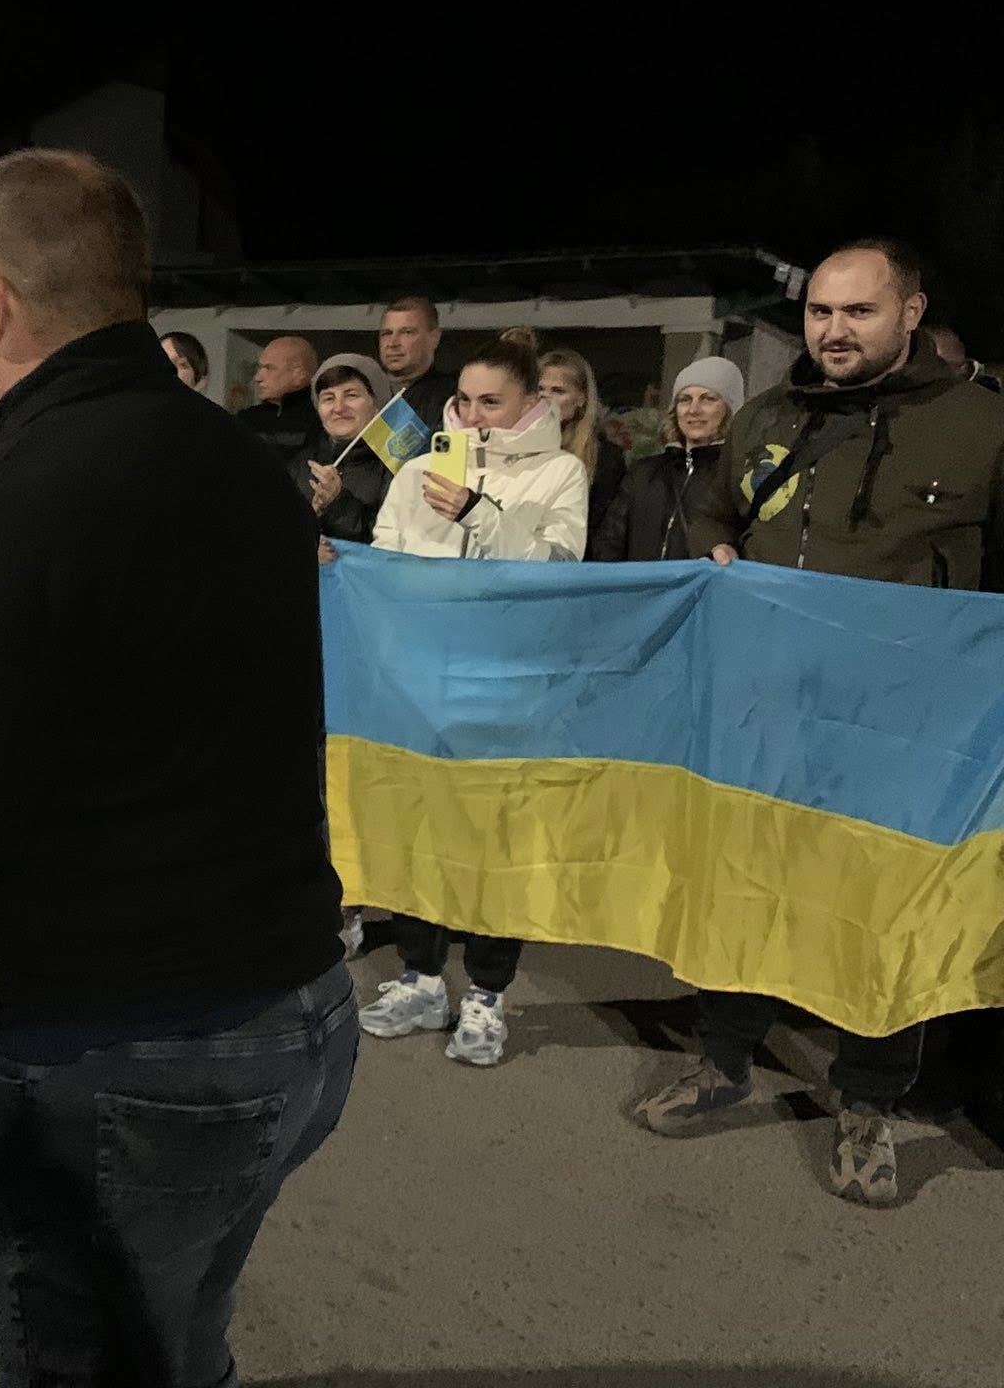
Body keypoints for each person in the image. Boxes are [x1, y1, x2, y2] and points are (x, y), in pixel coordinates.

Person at [0, 149, 354, 1388]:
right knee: (180, 1350)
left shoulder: (0, 508)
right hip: (299, 1013)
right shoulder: (244, 467)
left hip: (132, 1057)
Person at [638, 238, 1004, 1206]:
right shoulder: (769, 415)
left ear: (910, 313)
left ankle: (866, 1103)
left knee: (884, 913)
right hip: (766, 711)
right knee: (744, 886)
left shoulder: (981, 425)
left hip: (905, 730)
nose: (833, 331)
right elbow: (710, 511)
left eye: (858, 312)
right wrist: (716, 553)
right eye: (819, 312)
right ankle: (721, 1059)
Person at [343, 325, 586, 1067]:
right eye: (465, 399)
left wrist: (479, 514)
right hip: (418, 681)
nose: (474, 415)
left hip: (505, 685)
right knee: (415, 831)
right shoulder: (417, 469)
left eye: (492, 402)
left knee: (495, 841)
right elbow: (384, 560)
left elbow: (557, 570)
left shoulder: (560, 473)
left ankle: (486, 993)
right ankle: (421, 977)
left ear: (530, 402)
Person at [591, 356, 743, 562]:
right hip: (640, 583)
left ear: (730, 409)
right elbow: (609, 542)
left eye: (708, 399)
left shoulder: (739, 476)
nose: (693, 410)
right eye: (684, 399)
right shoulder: (643, 471)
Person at [538, 347, 626, 553]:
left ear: (581, 399)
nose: (545, 398)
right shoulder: (515, 446)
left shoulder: (606, 458)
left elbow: (604, 533)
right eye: (539, 389)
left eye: (558, 391)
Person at [304, 352, 397, 544]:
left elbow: (390, 541)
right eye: (328, 398)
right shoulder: (299, 464)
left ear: (377, 403)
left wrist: (337, 502)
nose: (338, 408)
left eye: (351, 395)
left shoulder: (398, 465)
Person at [237, 334, 324, 495]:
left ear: (299, 374)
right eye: (259, 368)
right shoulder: (244, 420)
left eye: (269, 368)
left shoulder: (324, 422)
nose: (257, 378)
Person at [377, 295, 457, 430]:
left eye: (407, 332)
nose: (393, 343)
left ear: (434, 338)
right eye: (387, 333)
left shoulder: (452, 400)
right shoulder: (364, 394)